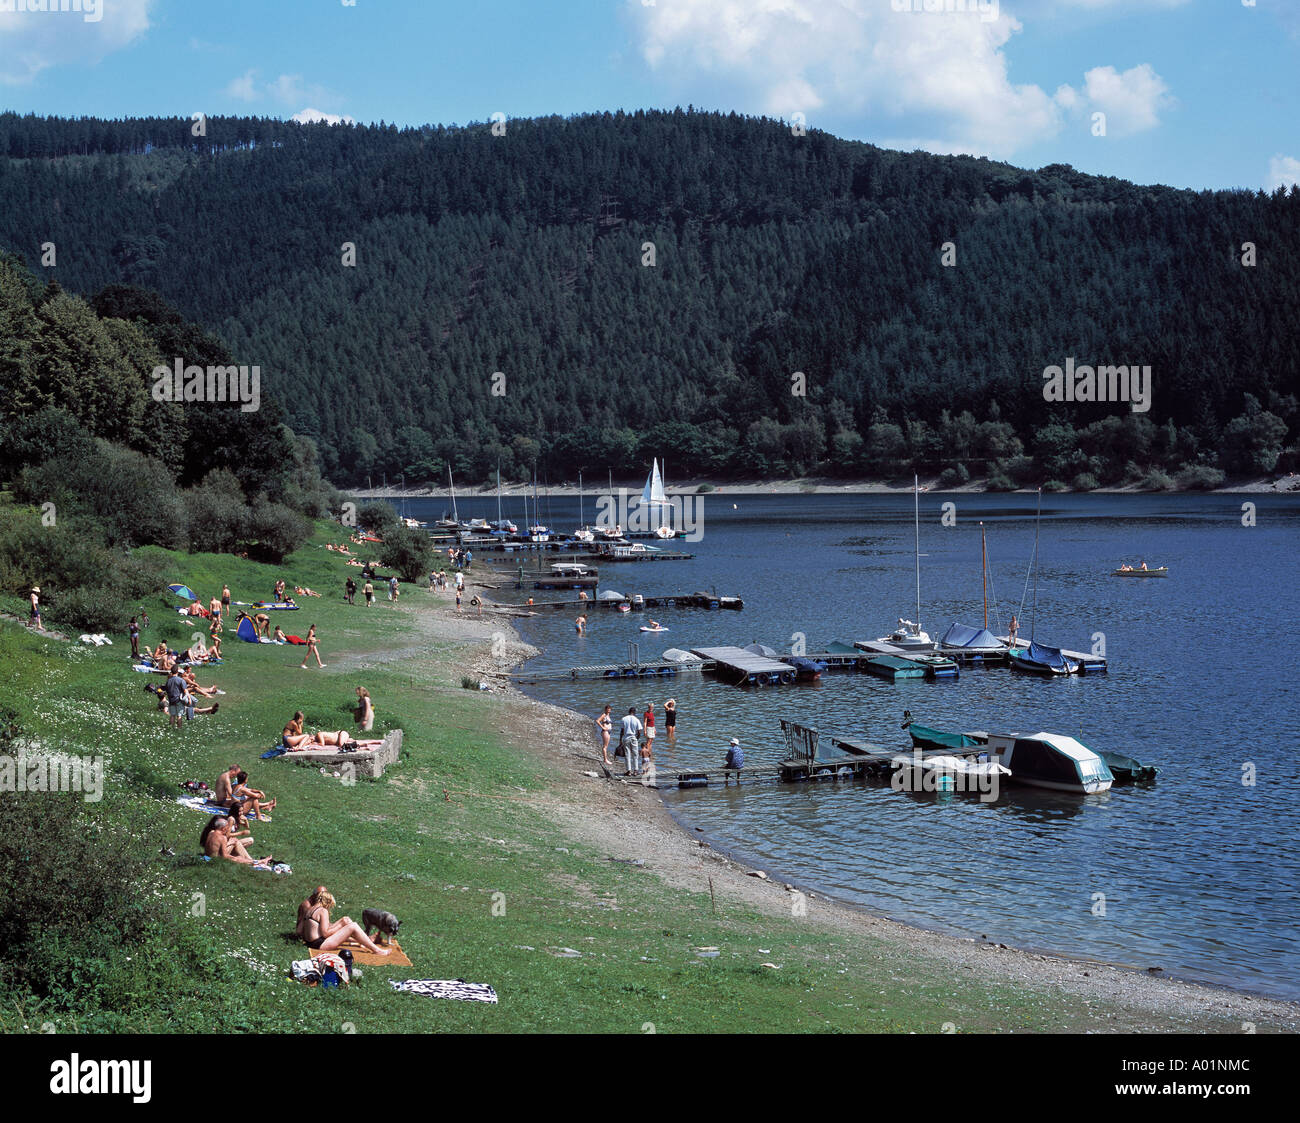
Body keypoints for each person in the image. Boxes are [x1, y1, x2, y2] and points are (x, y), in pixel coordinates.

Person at [299, 889, 389, 955]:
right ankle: (377, 950)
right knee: (353, 926)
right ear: (327, 902)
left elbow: (319, 929)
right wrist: (340, 925)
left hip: (313, 943)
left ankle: (364, 942)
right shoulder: (323, 911)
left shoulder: (311, 909)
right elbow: (325, 933)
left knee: (346, 920)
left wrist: (342, 923)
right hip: (320, 944)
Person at [201, 815, 271, 867]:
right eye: (227, 827)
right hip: (215, 859)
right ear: (223, 828)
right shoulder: (222, 837)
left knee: (237, 851)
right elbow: (224, 856)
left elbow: (216, 847)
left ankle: (255, 862)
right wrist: (235, 858)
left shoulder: (211, 832)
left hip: (208, 855)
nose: (228, 829)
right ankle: (256, 862)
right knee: (238, 858)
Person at [618, 707, 643, 776]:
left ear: (629, 711)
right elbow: (639, 731)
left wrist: (620, 739)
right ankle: (635, 771)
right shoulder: (636, 720)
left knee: (627, 754)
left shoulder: (624, 719)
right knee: (635, 754)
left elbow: (622, 731)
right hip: (633, 737)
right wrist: (637, 738)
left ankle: (629, 771)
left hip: (626, 737)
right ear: (634, 712)